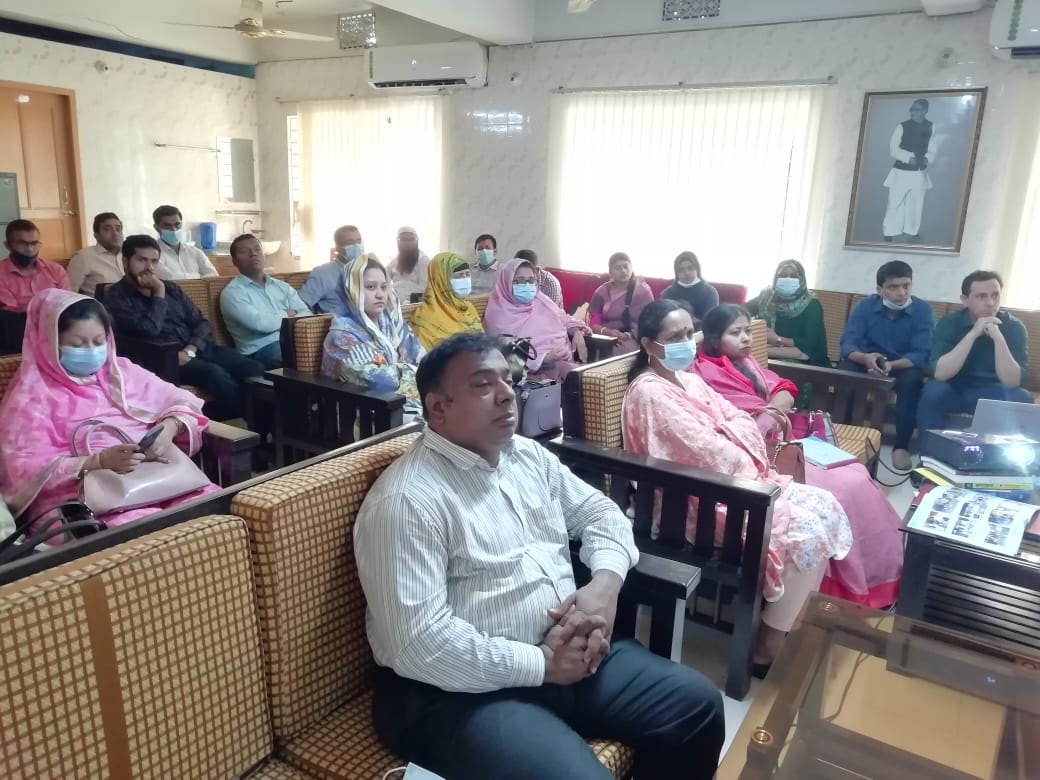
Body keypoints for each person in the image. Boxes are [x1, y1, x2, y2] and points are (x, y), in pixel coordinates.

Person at [355, 331, 725, 780]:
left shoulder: (527, 456)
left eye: (508, 380)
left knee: (697, 706)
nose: (506, 394)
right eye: (482, 384)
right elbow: (416, 643)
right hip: (455, 693)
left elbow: (602, 515)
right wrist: (543, 665)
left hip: (565, 652)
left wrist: (604, 588)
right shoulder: (408, 501)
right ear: (437, 407)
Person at [623, 299, 852, 667]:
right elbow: (704, 453)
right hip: (692, 499)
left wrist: (730, 434)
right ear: (649, 344)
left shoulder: (689, 379)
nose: (686, 342)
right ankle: (768, 643)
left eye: (689, 334)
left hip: (737, 482)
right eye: (674, 337)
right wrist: (732, 437)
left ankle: (785, 620)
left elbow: (741, 419)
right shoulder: (648, 391)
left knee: (828, 505)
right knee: (806, 531)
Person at [695, 305, 903, 608]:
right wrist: (768, 415)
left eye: (747, 330)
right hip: (753, 452)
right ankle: (843, 589)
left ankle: (883, 578)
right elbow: (733, 419)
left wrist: (770, 412)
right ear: (714, 338)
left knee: (857, 474)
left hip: (780, 438)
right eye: (735, 332)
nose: (746, 338)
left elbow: (784, 388)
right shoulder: (704, 372)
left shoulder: (745, 362)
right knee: (843, 489)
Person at [0, 289, 217, 533]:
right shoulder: (31, 396)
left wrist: (169, 427)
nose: (91, 350)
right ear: (49, 343)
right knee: (146, 531)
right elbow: (23, 470)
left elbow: (181, 400)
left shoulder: (121, 371)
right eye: (77, 344)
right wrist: (98, 461)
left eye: (98, 341)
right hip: (83, 497)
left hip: (158, 475)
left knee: (212, 510)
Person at [105, 235, 264, 417]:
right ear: (125, 262)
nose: (149, 267)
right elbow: (149, 329)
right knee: (215, 373)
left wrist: (191, 348)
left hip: (195, 349)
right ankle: (256, 425)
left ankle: (264, 423)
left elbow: (201, 322)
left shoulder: (171, 289)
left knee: (253, 367)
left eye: (154, 261)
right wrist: (158, 293)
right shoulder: (116, 296)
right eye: (141, 260)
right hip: (162, 358)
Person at [839, 260, 933, 471]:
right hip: (866, 362)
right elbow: (848, 344)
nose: (901, 293)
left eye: (906, 286)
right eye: (893, 287)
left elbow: (921, 353)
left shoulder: (923, 311)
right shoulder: (865, 306)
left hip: (902, 366)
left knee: (913, 380)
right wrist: (865, 358)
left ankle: (901, 446)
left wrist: (890, 365)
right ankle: (845, 436)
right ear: (880, 290)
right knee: (846, 372)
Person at [918, 271, 1032, 444]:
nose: (990, 303)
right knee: (933, 391)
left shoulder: (1014, 327)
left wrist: (999, 339)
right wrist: (973, 334)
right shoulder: (949, 323)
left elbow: (1012, 381)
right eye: (981, 296)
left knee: (1022, 398)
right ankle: (929, 454)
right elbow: (940, 374)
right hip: (955, 388)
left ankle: (1002, 458)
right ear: (965, 300)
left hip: (994, 391)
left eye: (995, 295)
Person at [321, 254, 424, 416]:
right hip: (365, 414)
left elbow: (422, 359)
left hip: (401, 401)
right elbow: (380, 382)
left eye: (384, 287)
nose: (380, 294)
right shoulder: (342, 335)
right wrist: (408, 368)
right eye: (370, 287)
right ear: (352, 290)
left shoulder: (390, 323)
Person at [483, 257, 590, 380]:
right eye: (520, 281)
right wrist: (543, 359)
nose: (527, 285)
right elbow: (504, 353)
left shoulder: (540, 300)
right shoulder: (498, 313)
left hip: (568, 361)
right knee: (576, 375)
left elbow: (564, 318)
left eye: (531, 280)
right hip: (533, 375)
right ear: (506, 282)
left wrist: (576, 332)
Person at [219, 233, 309, 370]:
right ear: (234, 261)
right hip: (258, 351)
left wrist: (277, 319)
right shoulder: (233, 293)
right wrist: (287, 313)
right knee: (297, 356)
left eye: (257, 249)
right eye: (244, 251)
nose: (253, 254)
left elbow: (306, 314)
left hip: (293, 341)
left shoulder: (282, 286)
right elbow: (260, 324)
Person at [746, 259, 829, 367]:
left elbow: (809, 344)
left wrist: (777, 339)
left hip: (807, 361)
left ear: (801, 279)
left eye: (793, 276)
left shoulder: (812, 305)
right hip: (771, 353)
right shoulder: (767, 298)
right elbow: (740, 311)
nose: (788, 279)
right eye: (783, 275)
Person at [883, 99, 937, 243]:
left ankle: (912, 230)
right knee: (895, 202)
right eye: (911, 109)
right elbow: (893, 149)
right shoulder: (902, 126)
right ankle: (889, 231)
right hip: (901, 172)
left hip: (919, 173)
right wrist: (907, 158)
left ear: (925, 111)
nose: (912, 112)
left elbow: (932, 147)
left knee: (916, 203)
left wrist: (927, 158)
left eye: (916, 109)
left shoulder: (931, 127)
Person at [411, 252, 483, 350]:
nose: (465, 280)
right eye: (459, 276)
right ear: (441, 279)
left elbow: (483, 342)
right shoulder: (425, 317)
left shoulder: (468, 308)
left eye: (467, 274)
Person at [588, 252, 654, 354]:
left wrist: (628, 335)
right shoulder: (602, 291)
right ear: (610, 272)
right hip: (604, 336)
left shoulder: (642, 291)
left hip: (633, 338)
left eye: (626, 266)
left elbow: (649, 321)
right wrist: (607, 332)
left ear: (631, 268)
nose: (623, 271)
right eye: (618, 268)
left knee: (614, 353)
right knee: (586, 350)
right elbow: (594, 322)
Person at [0, 219, 70, 312]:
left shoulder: (55, 270)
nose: (29, 249)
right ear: (8, 245)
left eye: (34, 243)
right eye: (22, 243)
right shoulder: (1, 273)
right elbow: (11, 312)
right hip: (17, 320)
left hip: (56, 319)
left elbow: (66, 303)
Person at [299, 224, 364, 315]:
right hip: (336, 322)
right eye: (350, 243)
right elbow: (301, 304)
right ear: (338, 248)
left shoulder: (369, 270)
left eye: (359, 241)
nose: (357, 246)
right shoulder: (322, 273)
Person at [152, 205, 219, 280]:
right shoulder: (152, 254)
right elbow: (168, 277)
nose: (174, 229)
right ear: (156, 228)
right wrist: (199, 276)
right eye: (167, 226)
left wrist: (188, 278)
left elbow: (213, 275)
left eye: (177, 225)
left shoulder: (195, 252)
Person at [66, 212, 125, 296]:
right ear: (96, 235)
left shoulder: (129, 254)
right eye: (107, 229)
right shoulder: (83, 257)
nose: (115, 233)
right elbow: (69, 293)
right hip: (100, 303)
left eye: (118, 229)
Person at [660, 251, 719, 329]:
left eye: (690, 268)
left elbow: (711, 322)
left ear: (697, 269)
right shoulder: (668, 293)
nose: (686, 273)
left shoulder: (710, 292)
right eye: (681, 270)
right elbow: (662, 321)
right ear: (676, 273)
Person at [386, 226, 431, 302]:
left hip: (415, 304)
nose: (407, 243)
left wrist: (399, 289)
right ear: (398, 241)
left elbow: (424, 290)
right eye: (403, 239)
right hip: (394, 302)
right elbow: (383, 277)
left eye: (411, 239)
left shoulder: (423, 260)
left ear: (417, 241)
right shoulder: (394, 261)